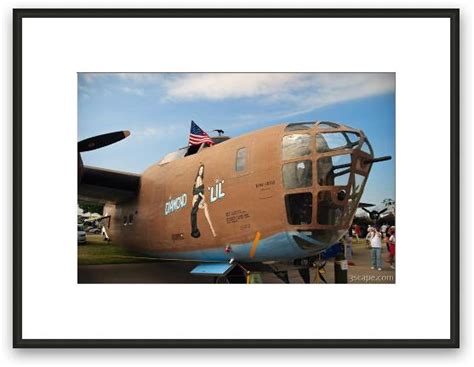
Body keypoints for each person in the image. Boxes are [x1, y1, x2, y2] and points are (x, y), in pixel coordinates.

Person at [190, 164, 217, 238]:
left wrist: (202, 197)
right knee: (194, 213)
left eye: (202, 170)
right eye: (200, 170)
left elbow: (200, 191)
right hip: (197, 198)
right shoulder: (198, 178)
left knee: (205, 209)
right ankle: (211, 230)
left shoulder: (200, 179)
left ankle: (212, 230)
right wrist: (202, 196)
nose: (201, 171)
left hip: (199, 197)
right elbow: (197, 191)